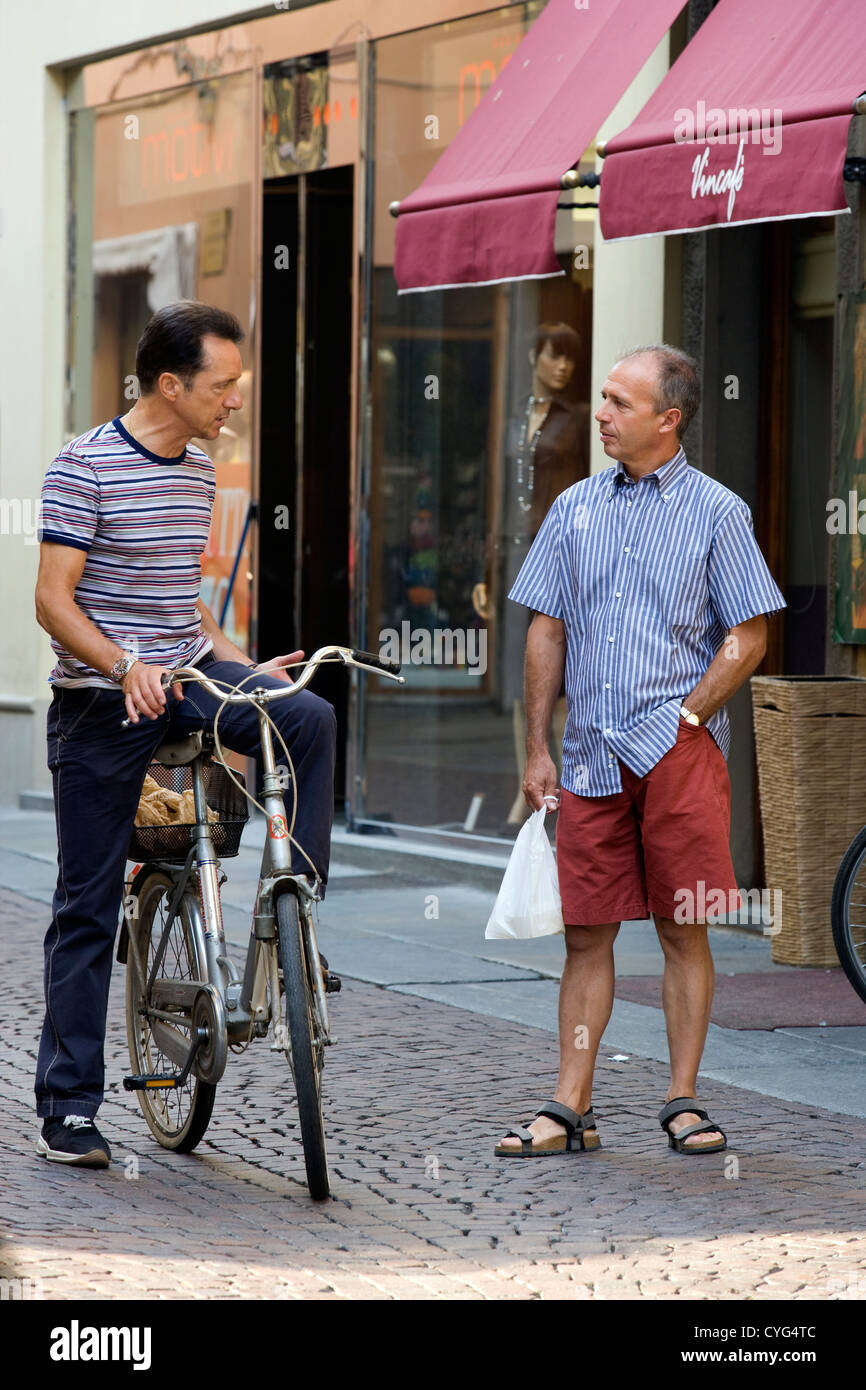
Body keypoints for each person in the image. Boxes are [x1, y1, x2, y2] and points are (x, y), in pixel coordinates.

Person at [33, 300, 337, 1169]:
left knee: (308, 716)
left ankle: (294, 902)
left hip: (191, 677)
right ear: (171, 384)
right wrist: (125, 663)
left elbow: (183, 608)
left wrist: (253, 671)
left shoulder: (199, 470)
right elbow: (53, 600)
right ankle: (70, 1107)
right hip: (101, 700)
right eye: (224, 384)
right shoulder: (82, 467)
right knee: (86, 904)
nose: (235, 399)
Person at [495, 344, 786, 1159]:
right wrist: (536, 747)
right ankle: (569, 1105)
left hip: (680, 756)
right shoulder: (574, 507)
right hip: (588, 759)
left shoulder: (718, 512)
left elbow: (750, 633)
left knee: (682, 928)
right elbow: (546, 627)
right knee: (586, 935)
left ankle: (683, 1099)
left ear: (670, 418)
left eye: (621, 402)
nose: (602, 414)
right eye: (603, 399)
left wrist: (688, 720)